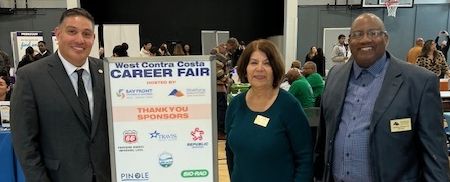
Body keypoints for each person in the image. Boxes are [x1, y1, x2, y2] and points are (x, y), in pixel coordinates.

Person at [314, 13, 449, 181]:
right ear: (349, 41)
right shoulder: (335, 76)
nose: (364, 40)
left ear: (386, 39)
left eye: (373, 33)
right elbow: (324, 139)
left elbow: (435, 154)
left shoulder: (419, 82)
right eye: (357, 34)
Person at [11, 8, 111, 182]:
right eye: (72, 31)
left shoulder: (107, 72)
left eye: (87, 34)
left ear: (93, 39)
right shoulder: (31, 76)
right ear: (58, 34)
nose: (80, 40)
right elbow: (25, 142)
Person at [225, 39, 313, 181]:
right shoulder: (235, 105)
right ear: (245, 68)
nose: (259, 68)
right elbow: (230, 152)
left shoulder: (289, 106)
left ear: (275, 69)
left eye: (267, 63)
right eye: (253, 63)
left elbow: (305, 159)